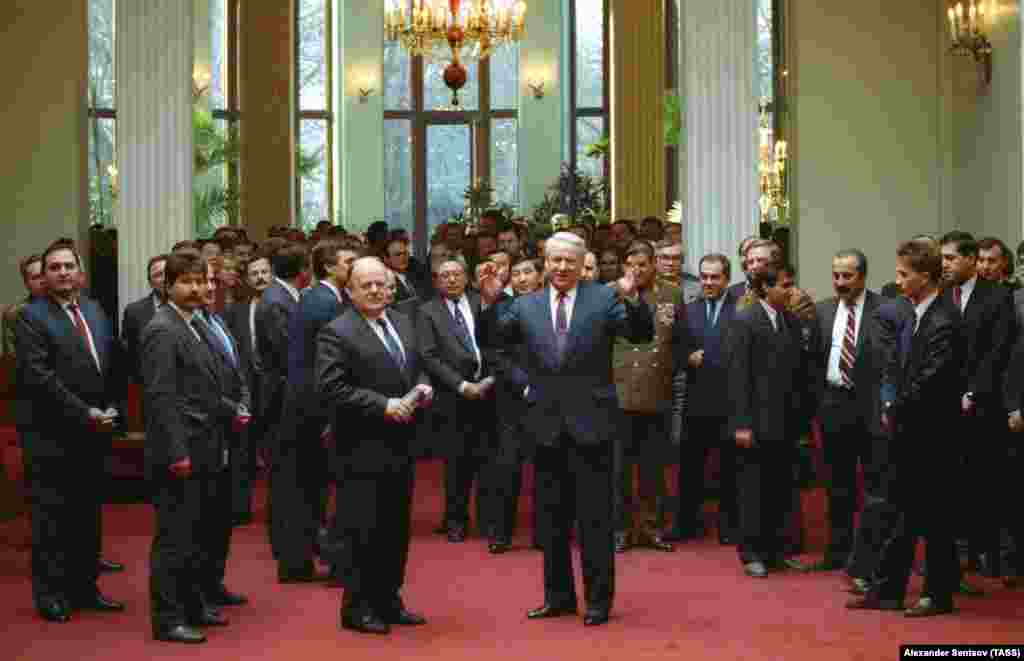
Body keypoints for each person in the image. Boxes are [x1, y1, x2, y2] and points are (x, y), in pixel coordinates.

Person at [478, 231, 655, 627]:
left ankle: (597, 601)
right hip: (543, 426)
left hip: (592, 425)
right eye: (554, 260)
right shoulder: (525, 304)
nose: (560, 268)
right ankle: (557, 597)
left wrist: (631, 295)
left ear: (581, 264)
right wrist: (490, 302)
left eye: (568, 261)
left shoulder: (603, 298)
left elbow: (641, 334)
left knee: (594, 521)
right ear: (545, 261)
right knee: (551, 520)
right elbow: (490, 340)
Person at [847, 239, 964, 617]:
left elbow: (931, 380)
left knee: (935, 517)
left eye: (903, 274)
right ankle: (888, 590)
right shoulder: (916, 314)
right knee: (900, 513)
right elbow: (900, 369)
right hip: (909, 431)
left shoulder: (944, 319)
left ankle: (938, 594)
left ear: (925, 277)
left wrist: (894, 406)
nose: (896, 282)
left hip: (933, 435)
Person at [317, 257, 432, 635]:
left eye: (381, 284)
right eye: (365, 285)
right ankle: (358, 606)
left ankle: (388, 598)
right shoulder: (337, 331)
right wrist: (384, 405)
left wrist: (422, 385)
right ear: (349, 291)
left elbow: (415, 364)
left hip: (402, 443)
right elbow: (331, 388)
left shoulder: (401, 320)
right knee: (361, 529)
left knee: (395, 529)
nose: (375, 291)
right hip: (360, 447)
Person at [142, 250, 250, 643]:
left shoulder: (196, 324)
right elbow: (161, 397)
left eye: (203, 281)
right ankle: (168, 619)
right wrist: (177, 452)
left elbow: (203, 387)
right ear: (169, 285)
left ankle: (193, 604)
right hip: (181, 449)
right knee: (174, 538)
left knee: (199, 534)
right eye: (188, 281)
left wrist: (231, 409)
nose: (198, 288)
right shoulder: (162, 328)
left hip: (208, 443)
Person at [15, 240, 125, 623]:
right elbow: (40, 378)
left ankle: (85, 588)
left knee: (87, 516)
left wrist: (114, 407)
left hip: (93, 434)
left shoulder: (93, 310)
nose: (62, 272)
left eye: (68, 266)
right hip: (52, 436)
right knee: (52, 520)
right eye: (54, 267)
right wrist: (86, 412)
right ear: (44, 276)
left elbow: (109, 364)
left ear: (80, 272)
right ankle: (51, 595)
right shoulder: (31, 317)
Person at [275, 240, 358, 582]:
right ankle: (301, 562)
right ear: (329, 267)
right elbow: (321, 366)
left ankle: (301, 561)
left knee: (309, 490)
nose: (355, 266)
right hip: (310, 409)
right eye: (349, 261)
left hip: (307, 405)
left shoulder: (323, 298)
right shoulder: (324, 303)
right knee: (307, 490)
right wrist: (327, 416)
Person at [726, 266, 814, 578]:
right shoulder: (745, 320)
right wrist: (741, 423)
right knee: (753, 490)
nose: (791, 291)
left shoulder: (789, 320)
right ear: (764, 287)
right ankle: (751, 553)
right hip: (754, 422)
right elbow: (737, 376)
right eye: (785, 285)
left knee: (780, 489)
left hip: (784, 422)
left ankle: (776, 551)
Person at [939, 231, 1015, 586]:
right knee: (948, 481)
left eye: (951, 258)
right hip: (941, 403)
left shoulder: (997, 297)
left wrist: (973, 391)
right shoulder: (941, 294)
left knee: (982, 479)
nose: (945, 264)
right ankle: (953, 553)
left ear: (971, 259)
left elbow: (997, 351)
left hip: (981, 404)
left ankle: (984, 551)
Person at [805, 250, 885, 573]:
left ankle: (871, 556)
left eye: (847, 276)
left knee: (874, 483)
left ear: (862, 277)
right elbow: (812, 362)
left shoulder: (883, 310)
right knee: (838, 484)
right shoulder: (822, 311)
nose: (840, 282)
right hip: (833, 405)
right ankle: (837, 551)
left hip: (869, 406)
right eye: (836, 275)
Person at [419, 256, 497, 545]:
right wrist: (461, 385)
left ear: (466, 277)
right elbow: (428, 355)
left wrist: (489, 379)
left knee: (489, 460)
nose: (451, 279)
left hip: (489, 391)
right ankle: (456, 520)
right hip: (452, 397)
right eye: (444, 275)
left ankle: (490, 520)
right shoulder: (427, 311)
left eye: (456, 274)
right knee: (457, 462)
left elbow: (497, 343)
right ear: (436, 281)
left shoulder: (482, 302)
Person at [611, 240, 680, 553]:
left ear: (654, 264)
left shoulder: (671, 293)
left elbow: (680, 339)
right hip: (620, 392)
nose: (636, 271)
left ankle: (652, 527)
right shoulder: (611, 292)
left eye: (642, 264)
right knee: (619, 468)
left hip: (657, 389)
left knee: (653, 468)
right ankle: (621, 528)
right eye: (631, 264)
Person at [667, 253, 739, 544]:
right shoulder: (688, 309)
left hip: (729, 400)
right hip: (695, 401)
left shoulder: (740, 309)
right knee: (689, 468)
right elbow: (675, 348)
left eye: (715, 277)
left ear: (726, 279)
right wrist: (686, 356)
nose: (708, 282)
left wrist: (709, 358)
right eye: (704, 277)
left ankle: (730, 527)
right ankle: (686, 524)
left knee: (729, 468)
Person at [195, 255, 251, 610]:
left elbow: (238, 367)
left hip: (229, 429)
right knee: (201, 520)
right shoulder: (183, 326)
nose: (211, 288)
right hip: (205, 429)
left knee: (221, 517)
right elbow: (195, 386)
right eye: (204, 281)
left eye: (215, 281)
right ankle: (198, 590)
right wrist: (234, 407)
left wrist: (243, 399)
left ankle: (213, 582)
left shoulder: (218, 319)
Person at [255, 242, 308, 567]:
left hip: (286, 396)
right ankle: (284, 548)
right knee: (283, 478)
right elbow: (287, 353)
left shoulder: (283, 296)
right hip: (280, 400)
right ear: (303, 271)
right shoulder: (276, 301)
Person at [121, 254, 168, 383]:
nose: (164, 278)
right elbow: (128, 355)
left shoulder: (187, 307)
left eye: (167, 273)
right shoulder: (134, 312)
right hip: (146, 387)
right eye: (158, 275)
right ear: (150, 282)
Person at [2, 254, 46, 358]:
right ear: (26, 283)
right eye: (36, 277)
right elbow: (11, 356)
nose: (43, 281)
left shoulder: (66, 306)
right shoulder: (14, 314)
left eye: (44, 274)